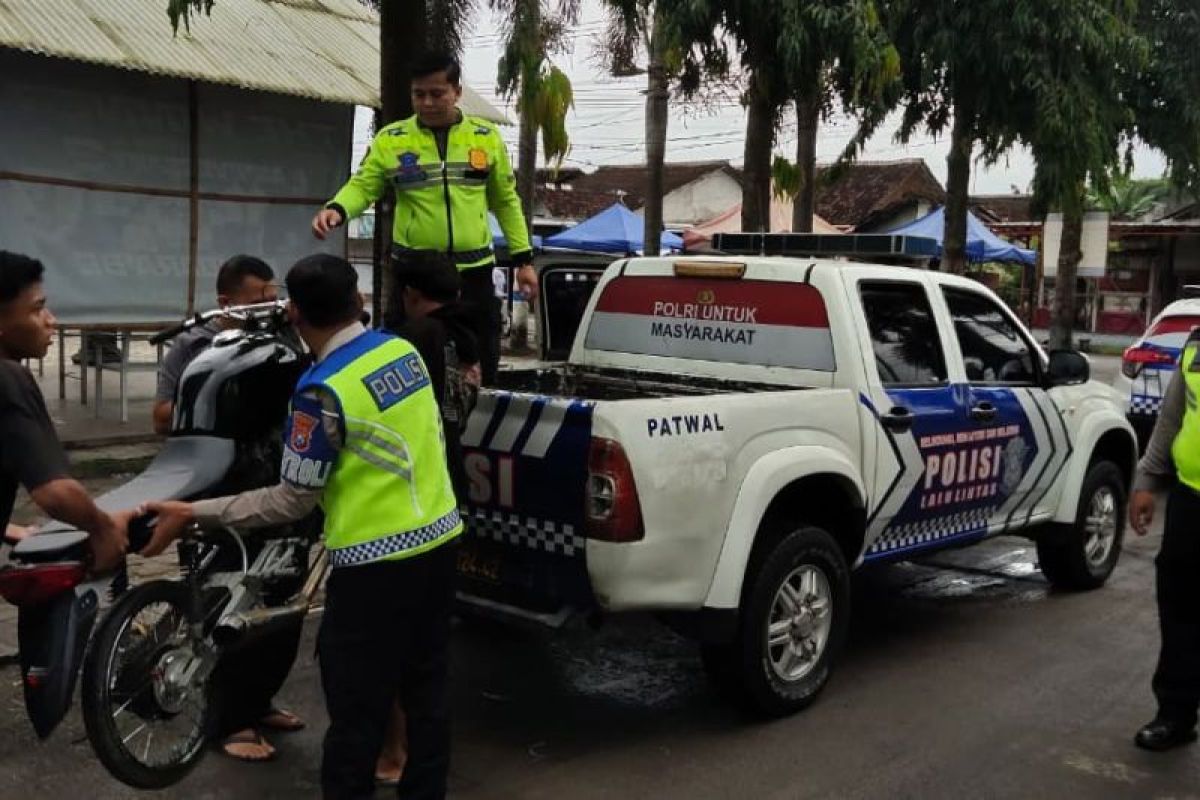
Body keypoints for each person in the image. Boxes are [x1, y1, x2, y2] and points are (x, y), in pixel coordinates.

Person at [140, 253, 463, 799]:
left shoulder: (321, 392)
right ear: (359, 301)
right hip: (440, 544)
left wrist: (193, 512)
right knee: (427, 695)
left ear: (293, 313)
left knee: (356, 714)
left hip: (374, 570)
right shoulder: (401, 351)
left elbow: (290, 499)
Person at [311, 50, 538, 385]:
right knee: (407, 362)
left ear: (457, 92)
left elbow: (506, 201)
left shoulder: (485, 137)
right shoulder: (392, 139)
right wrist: (338, 208)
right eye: (419, 94)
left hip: (472, 274)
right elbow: (364, 185)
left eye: (437, 93)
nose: (427, 103)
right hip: (415, 276)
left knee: (480, 362)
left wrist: (523, 260)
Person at [375, 252, 479, 787]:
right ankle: (421, 756)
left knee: (391, 638)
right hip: (449, 493)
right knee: (429, 640)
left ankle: (394, 751)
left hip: (404, 499)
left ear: (411, 293)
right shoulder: (469, 338)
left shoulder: (406, 341)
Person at [0, 251, 129, 567]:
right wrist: (103, 528)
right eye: (37, 309)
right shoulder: (8, 377)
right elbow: (55, 493)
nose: (51, 320)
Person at [1131, 326, 1200, 751]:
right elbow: (1173, 416)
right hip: (1191, 499)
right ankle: (1176, 713)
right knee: (1179, 604)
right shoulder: (1197, 343)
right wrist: (1148, 479)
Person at [153, 255, 278, 435]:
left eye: (273, 301)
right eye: (257, 305)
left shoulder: (280, 334)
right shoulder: (193, 343)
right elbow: (161, 420)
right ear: (225, 303)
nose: (269, 312)